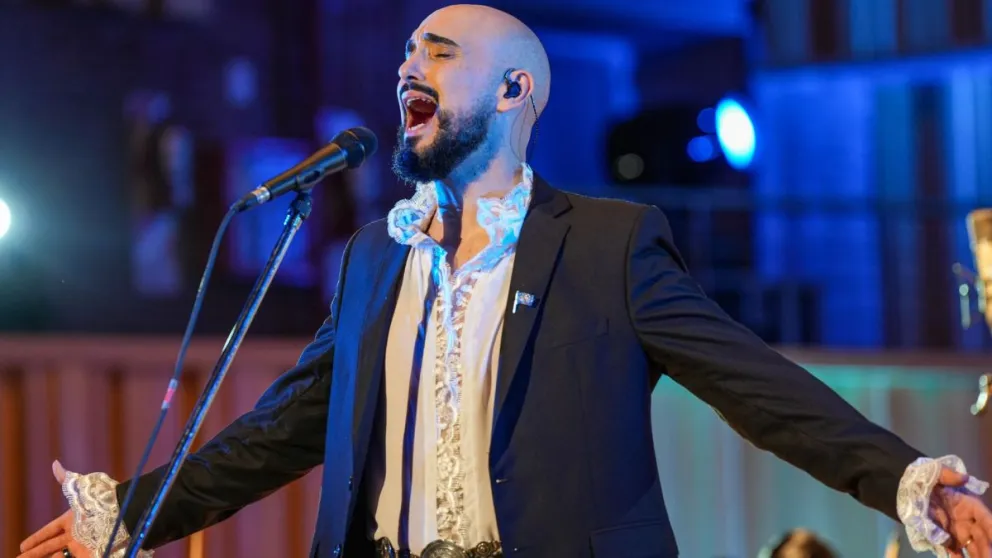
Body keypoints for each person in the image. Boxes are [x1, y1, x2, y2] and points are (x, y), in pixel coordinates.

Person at [17, 4, 992, 558]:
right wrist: (126, 514)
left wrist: (910, 481)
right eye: (404, 52)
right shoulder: (371, 258)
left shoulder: (609, 246)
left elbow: (757, 386)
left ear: (514, 90)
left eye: (436, 52)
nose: (407, 62)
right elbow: (277, 432)